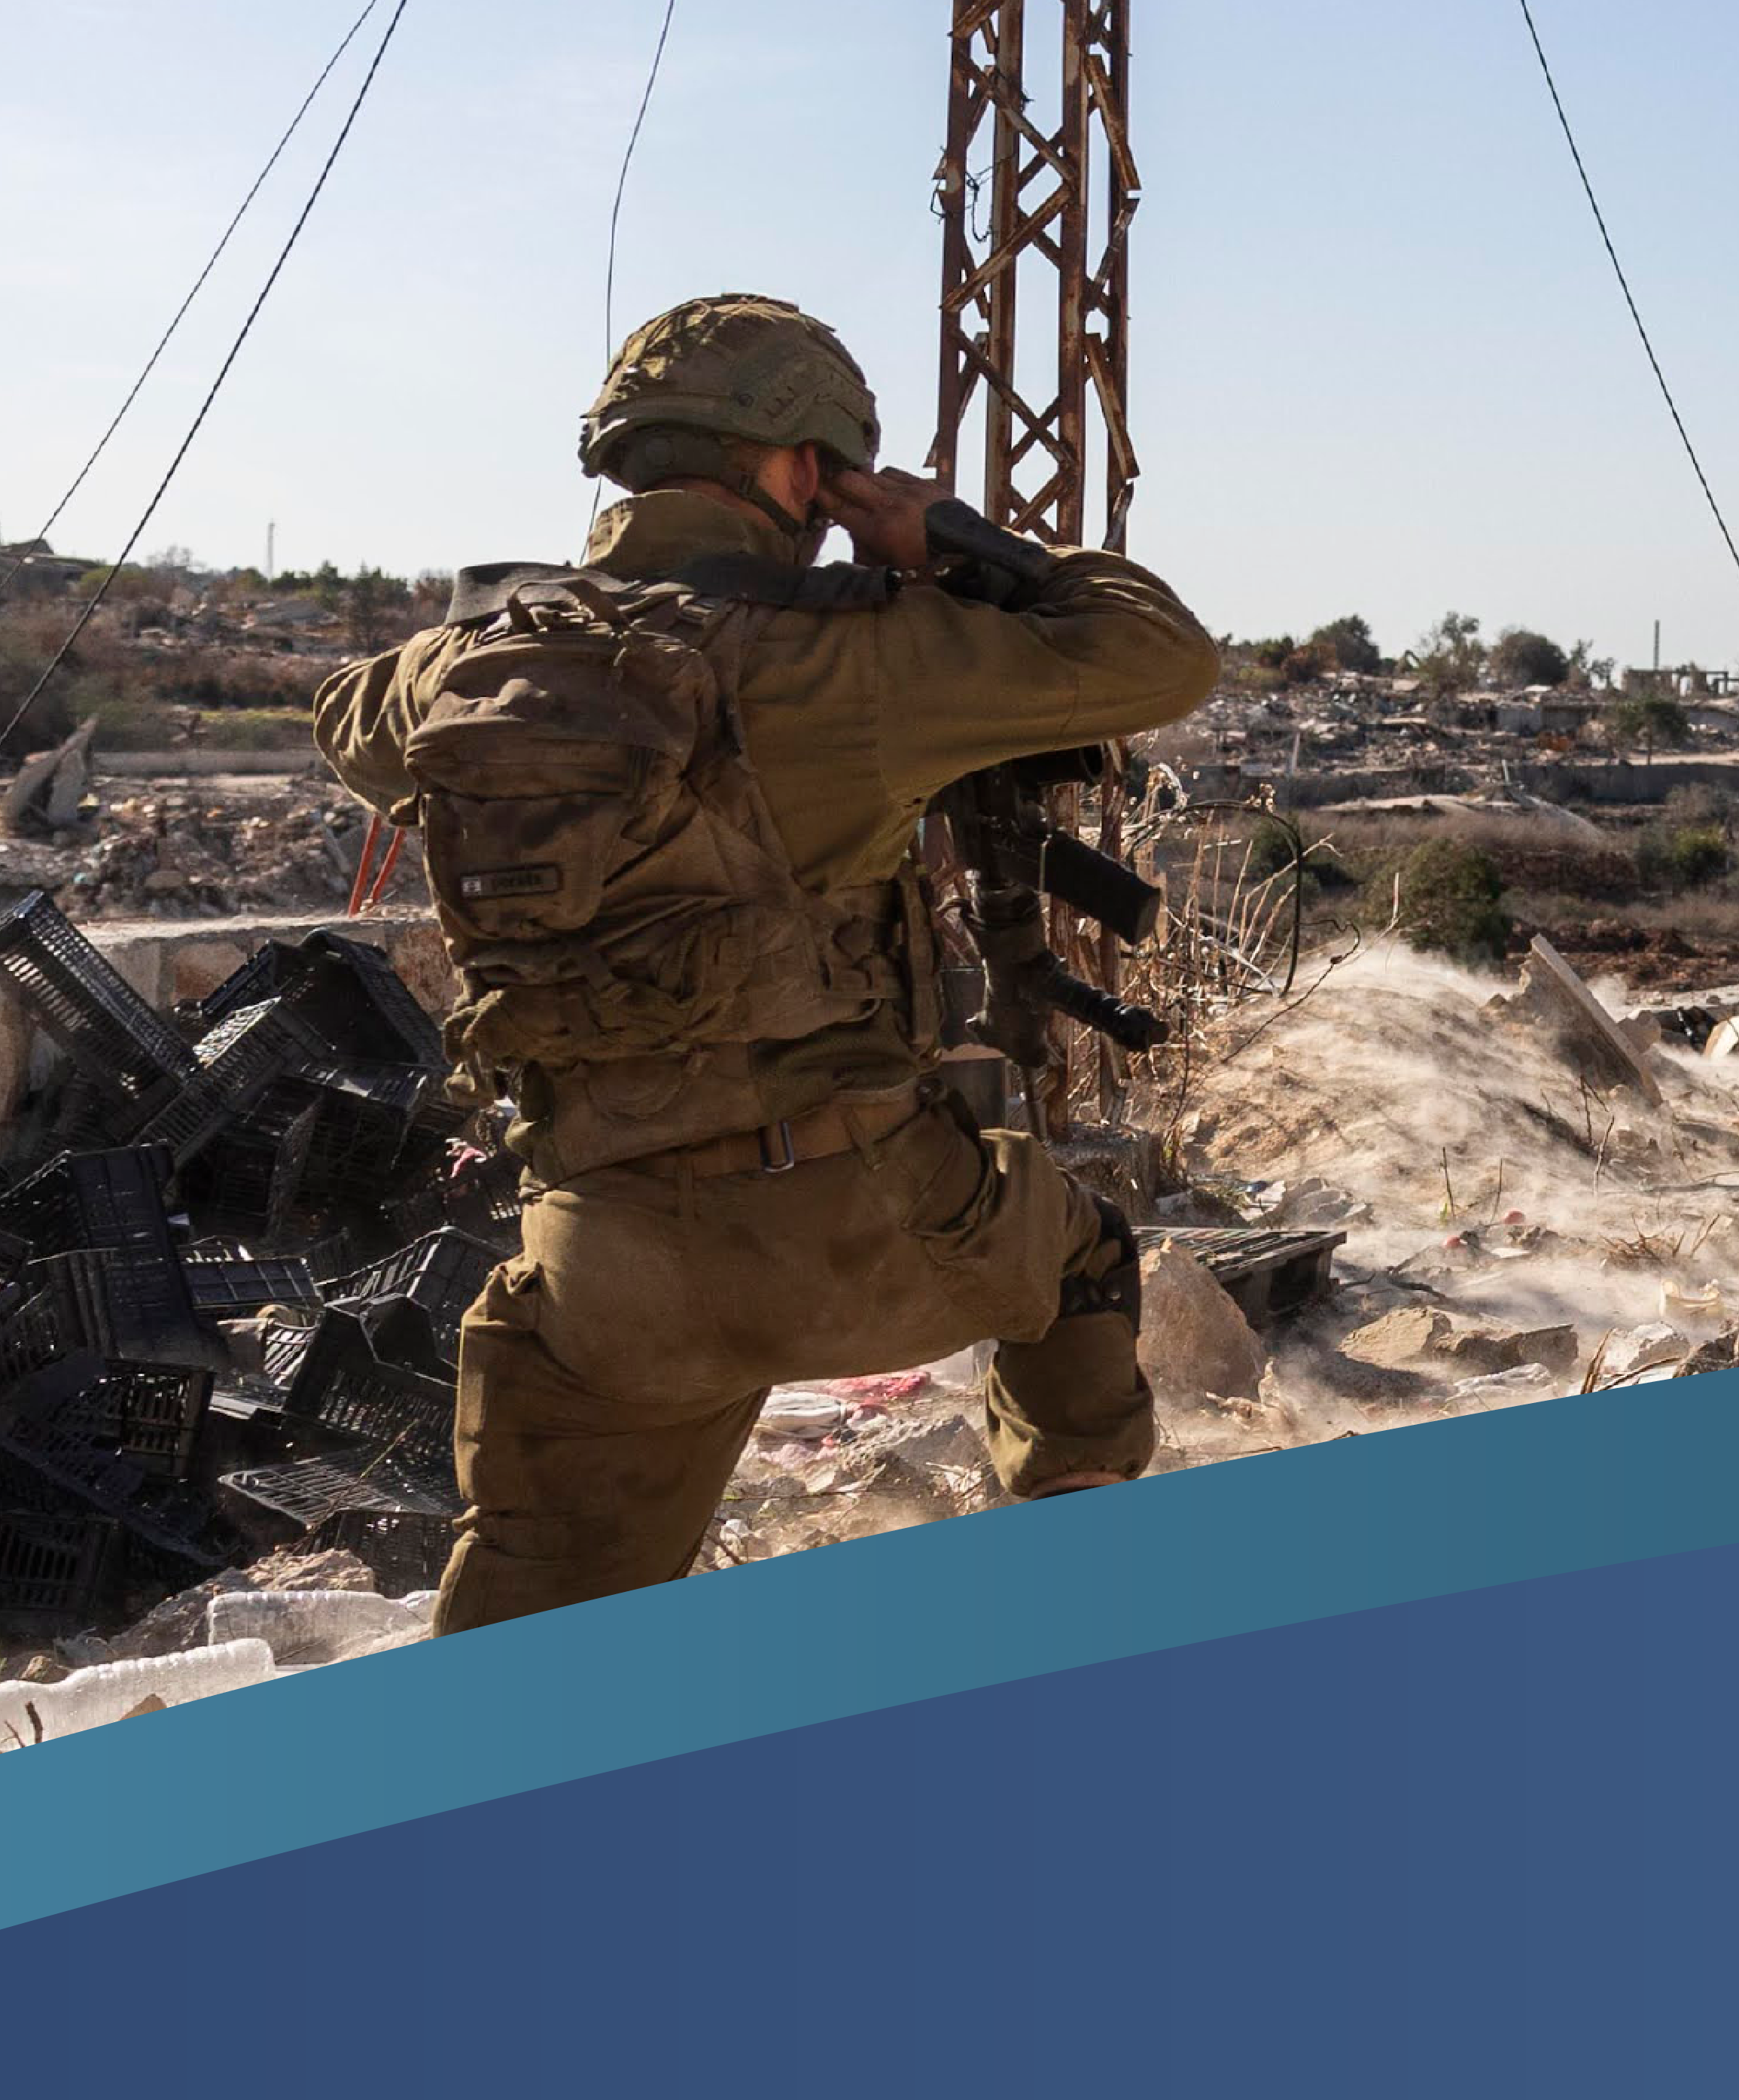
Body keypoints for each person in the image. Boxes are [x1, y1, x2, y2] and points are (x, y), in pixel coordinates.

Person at [312, 294, 1223, 1633]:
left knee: (528, 1651)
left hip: (606, 1266)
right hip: (863, 1232)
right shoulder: (850, 654)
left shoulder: (466, 666)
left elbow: (347, 718)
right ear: (804, 468)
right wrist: (952, 539)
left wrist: (521, 640)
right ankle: (1077, 1620)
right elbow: (1162, 654)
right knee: (1076, 1257)